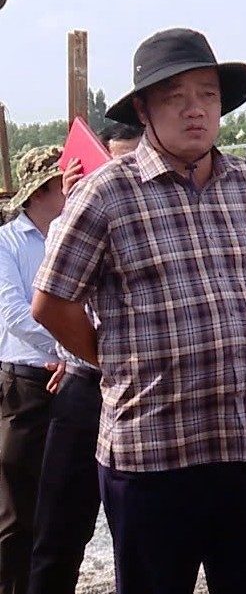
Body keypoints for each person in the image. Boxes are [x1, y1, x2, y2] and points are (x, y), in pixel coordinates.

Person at [31, 28, 246, 594]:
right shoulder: (106, 193)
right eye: (174, 96)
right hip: (151, 453)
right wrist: (111, 360)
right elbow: (52, 302)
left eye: (207, 94)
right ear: (143, 110)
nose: (194, 109)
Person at [27, 124, 142, 594]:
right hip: (85, 385)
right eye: (111, 164)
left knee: (144, 536)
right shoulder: (71, 221)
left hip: (142, 390)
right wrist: (90, 354)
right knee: (59, 529)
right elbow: (51, 304)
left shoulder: (163, 223)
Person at [0, 146, 66, 594]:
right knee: (17, 512)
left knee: (61, 511)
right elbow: (15, 315)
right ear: (41, 190)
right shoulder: (7, 243)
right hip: (25, 385)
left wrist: (73, 357)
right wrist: (69, 347)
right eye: (64, 183)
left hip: (68, 381)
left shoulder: (71, 235)